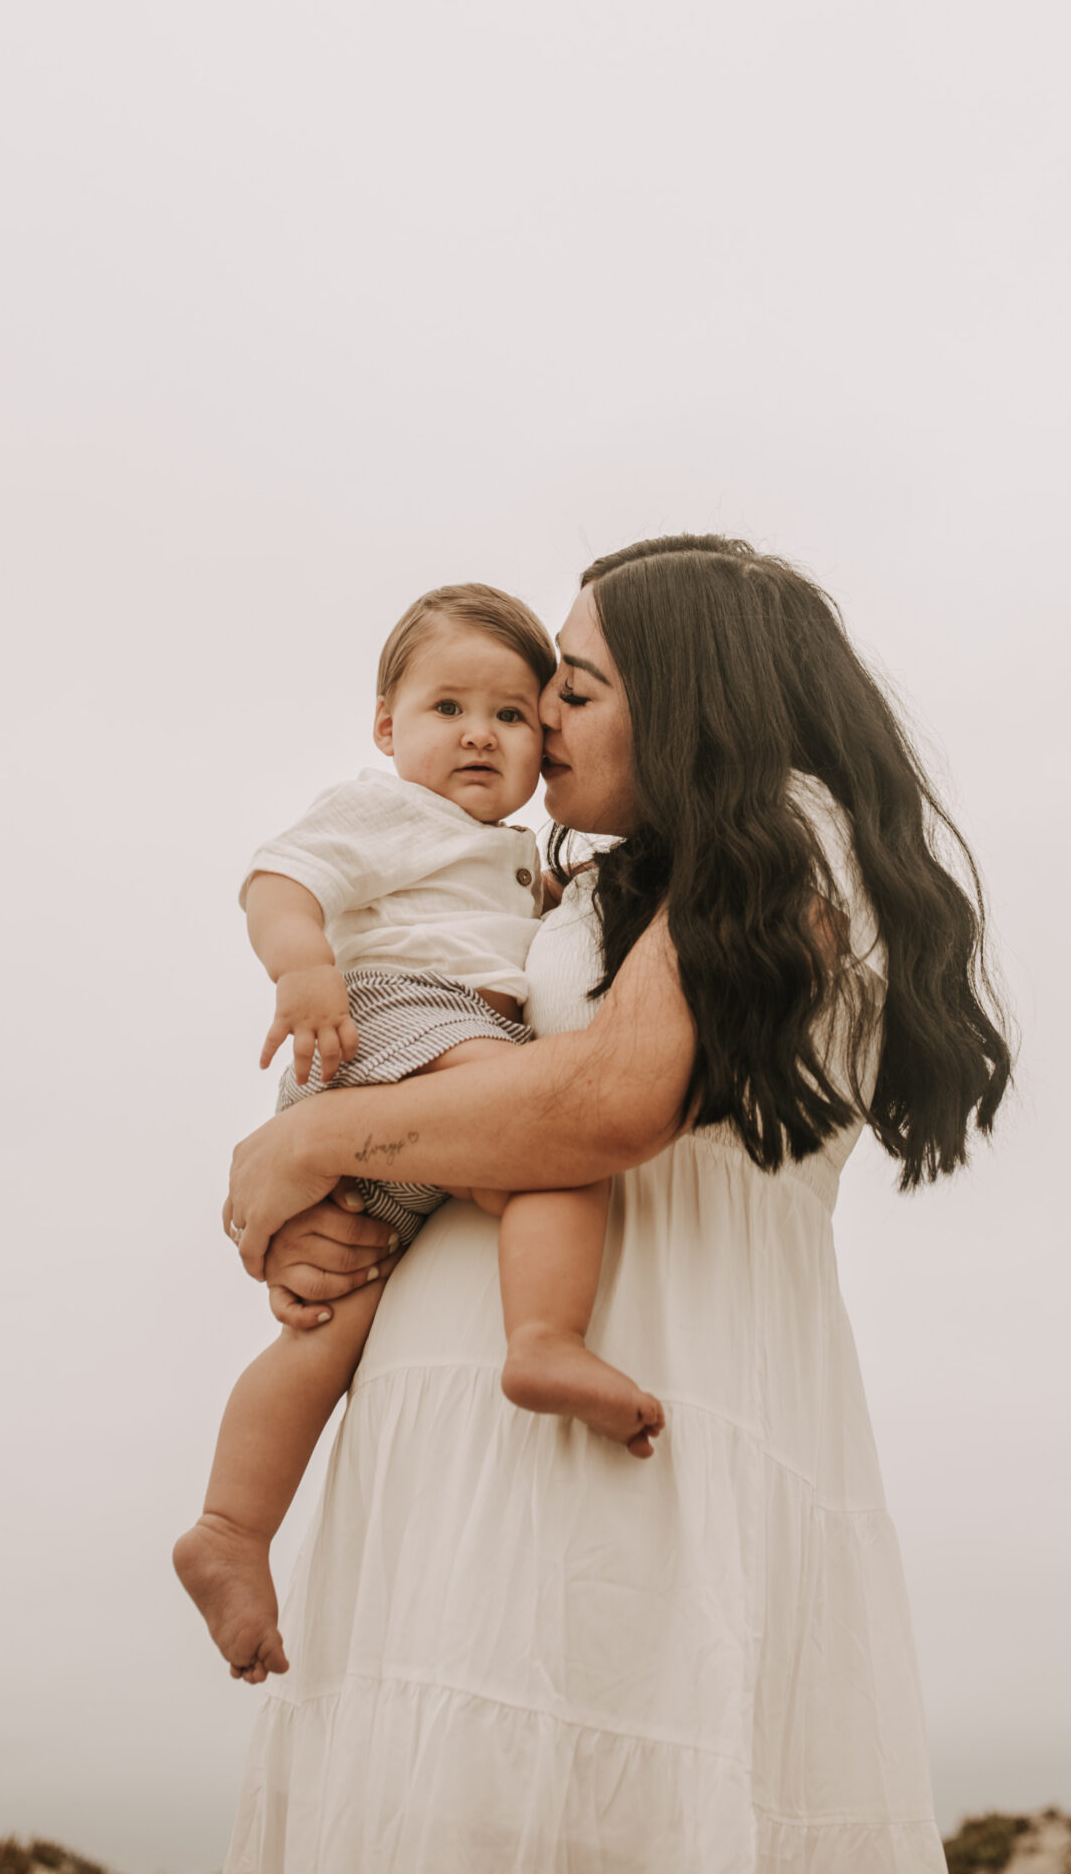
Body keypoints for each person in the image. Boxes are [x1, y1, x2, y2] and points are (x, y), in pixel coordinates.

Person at [219, 535, 1012, 1874]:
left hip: (649, 1414)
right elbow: (480, 1084)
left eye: (570, 691)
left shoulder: (793, 838)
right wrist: (335, 1190)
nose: (537, 725)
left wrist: (316, 1144)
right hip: (469, 1449)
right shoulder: (585, 885)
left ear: (691, 698)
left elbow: (607, 1103)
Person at [175, 583, 664, 1686]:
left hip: (431, 1057)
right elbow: (278, 879)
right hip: (398, 1011)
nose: (481, 733)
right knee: (551, 1144)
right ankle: (541, 1338)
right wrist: (303, 968)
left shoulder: (526, 859)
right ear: (387, 726)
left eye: (512, 715)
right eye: (448, 707)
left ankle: (231, 1529)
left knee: (326, 1333)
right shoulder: (385, 811)